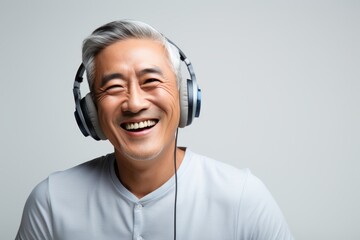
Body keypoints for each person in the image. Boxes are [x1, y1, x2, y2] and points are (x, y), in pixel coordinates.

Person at [16, 19, 294, 240]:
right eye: (113, 87)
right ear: (92, 113)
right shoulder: (51, 201)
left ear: (185, 97)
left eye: (150, 81)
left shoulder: (243, 197)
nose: (134, 103)